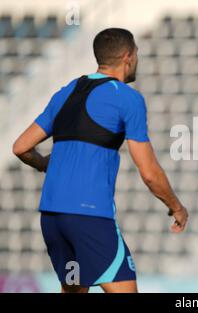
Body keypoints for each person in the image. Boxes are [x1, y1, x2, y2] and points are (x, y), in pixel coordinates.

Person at [12, 28, 188, 293]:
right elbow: (149, 172)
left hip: (52, 217)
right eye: (137, 54)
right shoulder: (127, 98)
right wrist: (176, 206)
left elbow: (21, 147)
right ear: (128, 56)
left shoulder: (67, 91)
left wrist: (45, 164)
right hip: (89, 216)